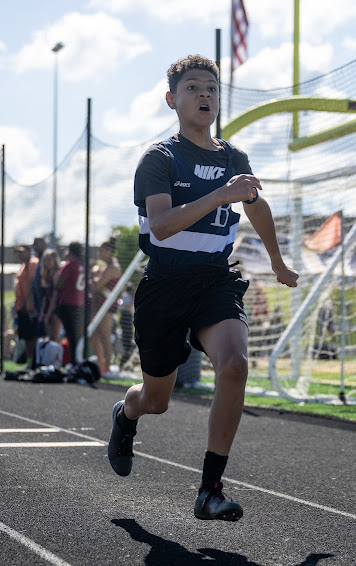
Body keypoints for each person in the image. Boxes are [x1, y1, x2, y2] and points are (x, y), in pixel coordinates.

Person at [107, 54, 298, 521]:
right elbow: (163, 226)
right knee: (158, 400)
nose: (204, 94)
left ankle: (210, 490)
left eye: (211, 88)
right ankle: (125, 415)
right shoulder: (159, 159)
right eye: (193, 88)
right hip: (166, 283)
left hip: (215, 278)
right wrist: (218, 195)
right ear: (172, 100)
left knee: (234, 365)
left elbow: (256, 206)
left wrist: (276, 260)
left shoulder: (235, 158)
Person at [90, 238, 122, 376]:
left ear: (110, 252)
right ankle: (101, 365)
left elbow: (96, 285)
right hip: (99, 305)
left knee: (105, 337)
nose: (100, 252)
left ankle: (107, 368)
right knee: (94, 336)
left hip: (107, 307)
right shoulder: (104, 266)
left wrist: (92, 276)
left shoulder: (112, 267)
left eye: (103, 250)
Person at [56, 241, 85, 366]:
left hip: (68, 303)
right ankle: (77, 360)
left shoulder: (69, 265)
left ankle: (74, 362)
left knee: (71, 335)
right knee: (77, 335)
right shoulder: (83, 264)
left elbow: (59, 284)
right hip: (80, 303)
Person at [13, 244, 39, 366]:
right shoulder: (23, 266)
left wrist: (26, 303)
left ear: (29, 251)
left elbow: (33, 284)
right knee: (26, 337)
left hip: (30, 307)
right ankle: (29, 361)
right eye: (18, 252)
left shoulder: (33, 263)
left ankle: (35, 360)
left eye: (22, 252)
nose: (20, 255)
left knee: (33, 336)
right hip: (21, 308)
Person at [39, 248, 62, 342]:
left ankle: (58, 356)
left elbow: (55, 296)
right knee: (49, 337)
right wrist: (42, 312)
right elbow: (46, 296)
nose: (47, 262)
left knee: (55, 337)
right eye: (45, 260)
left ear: (55, 260)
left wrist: (49, 313)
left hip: (55, 309)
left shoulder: (56, 274)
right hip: (47, 308)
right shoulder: (46, 275)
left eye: (49, 260)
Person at [119, 283, 135, 368]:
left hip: (128, 317)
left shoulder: (128, 296)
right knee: (127, 339)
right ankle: (122, 363)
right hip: (125, 315)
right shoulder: (125, 295)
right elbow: (126, 306)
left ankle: (124, 362)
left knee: (129, 339)